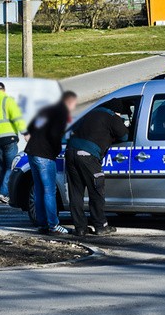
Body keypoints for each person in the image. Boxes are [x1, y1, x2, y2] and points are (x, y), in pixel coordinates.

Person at [65, 99, 128, 237]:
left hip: (70, 152)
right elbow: (124, 136)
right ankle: (101, 226)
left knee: (76, 193)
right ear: (116, 111)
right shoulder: (112, 117)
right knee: (96, 191)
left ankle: (80, 228)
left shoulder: (88, 114)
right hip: (88, 156)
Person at [25, 91, 78, 235]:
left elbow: (30, 128)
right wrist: (57, 150)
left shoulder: (46, 111)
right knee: (49, 191)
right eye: (74, 104)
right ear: (69, 102)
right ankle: (54, 225)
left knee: (39, 190)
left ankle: (42, 224)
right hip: (45, 154)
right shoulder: (61, 113)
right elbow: (55, 135)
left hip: (32, 152)